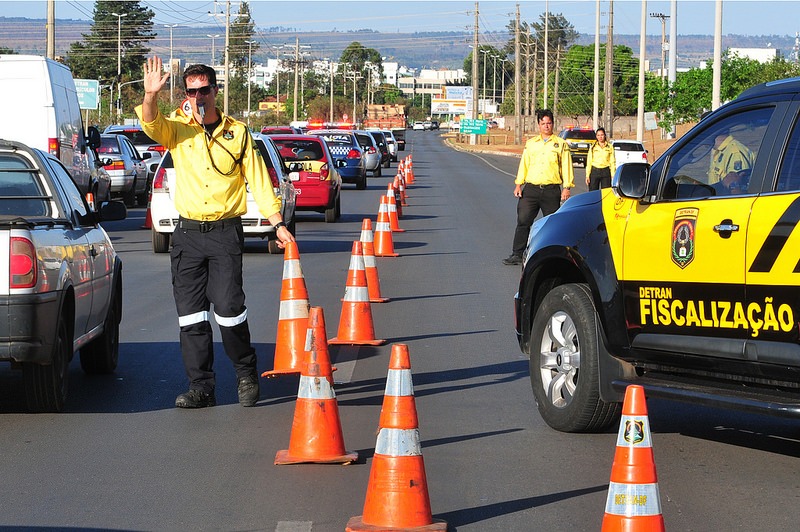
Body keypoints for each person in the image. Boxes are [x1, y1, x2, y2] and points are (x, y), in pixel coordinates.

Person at [136, 56, 295, 408]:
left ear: (215, 90)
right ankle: (201, 387)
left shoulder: (237, 133)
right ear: (186, 95)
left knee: (229, 309)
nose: (198, 97)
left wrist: (277, 223)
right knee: (191, 315)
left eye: (203, 90)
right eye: (191, 92)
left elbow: (258, 180)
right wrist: (150, 96)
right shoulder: (178, 128)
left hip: (224, 234)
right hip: (188, 235)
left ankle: (245, 371)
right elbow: (150, 124)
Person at [503, 109, 574, 266]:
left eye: (549, 123)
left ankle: (552, 256)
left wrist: (567, 187)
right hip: (531, 190)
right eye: (543, 123)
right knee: (523, 221)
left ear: (553, 124)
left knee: (552, 224)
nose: (546, 126)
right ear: (538, 125)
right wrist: (518, 184)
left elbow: (567, 167)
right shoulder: (531, 144)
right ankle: (517, 253)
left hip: (551, 190)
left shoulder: (560, 144)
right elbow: (524, 164)